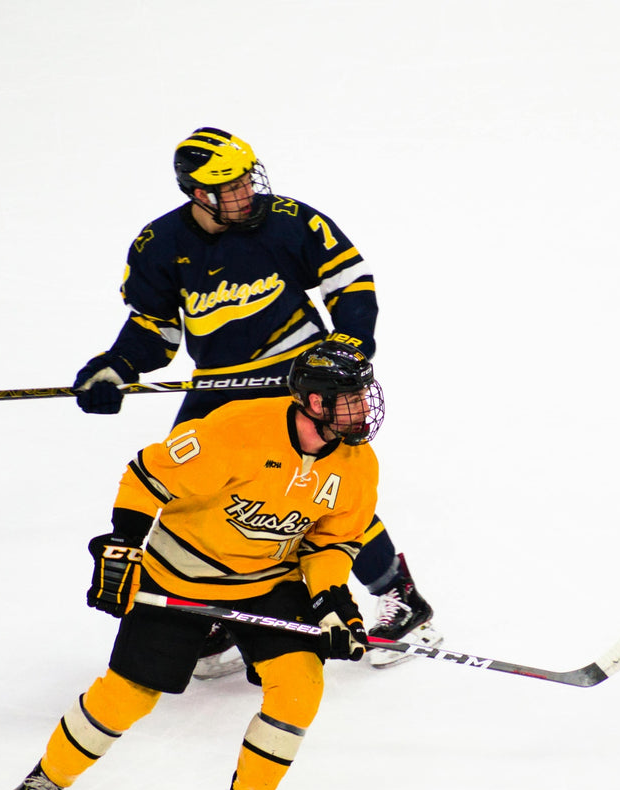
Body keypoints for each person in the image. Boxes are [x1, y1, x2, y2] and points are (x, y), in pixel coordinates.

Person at [0, 343, 384, 790]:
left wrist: (332, 602)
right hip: (181, 574)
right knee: (129, 693)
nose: (364, 410)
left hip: (265, 582)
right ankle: (44, 783)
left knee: (300, 686)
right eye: (350, 400)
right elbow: (144, 476)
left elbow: (333, 540)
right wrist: (124, 545)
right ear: (314, 401)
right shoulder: (235, 429)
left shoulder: (356, 464)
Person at [70, 126, 436, 675]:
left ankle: (399, 596)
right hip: (221, 385)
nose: (247, 192)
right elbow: (155, 328)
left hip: (301, 376)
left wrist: (350, 345)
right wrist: (118, 365)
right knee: (189, 487)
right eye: (231, 187)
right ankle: (225, 608)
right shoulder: (160, 245)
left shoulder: (290, 221)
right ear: (197, 193)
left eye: (247, 179)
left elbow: (352, 284)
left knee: (324, 486)